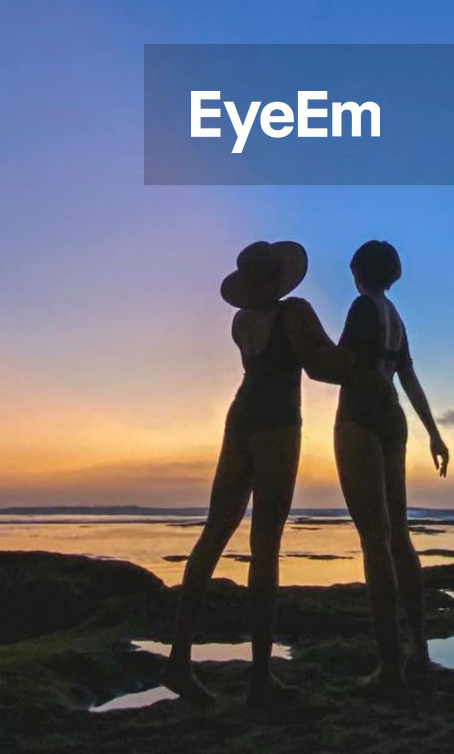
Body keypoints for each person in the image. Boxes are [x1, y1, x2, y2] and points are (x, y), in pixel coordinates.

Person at [161, 240, 355, 708]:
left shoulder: (241, 321)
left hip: (239, 421)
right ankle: (261, 678)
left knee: (213, 534)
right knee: (265, 546)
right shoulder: (294, 313)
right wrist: (368, 360)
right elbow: (323, 367)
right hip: (278, 427)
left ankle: (179, 660)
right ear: (276, 278)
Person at [334, 239, 449, 700]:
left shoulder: (363, 307)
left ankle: (389, 669)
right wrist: (434, 432)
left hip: (360, 416)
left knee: (374, 540)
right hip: (394, 417)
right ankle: (417, 648)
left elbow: (337, 365)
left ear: (361, 272)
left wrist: (298, 349)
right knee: (398, 535)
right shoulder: (396, 318)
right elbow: (410, 378)